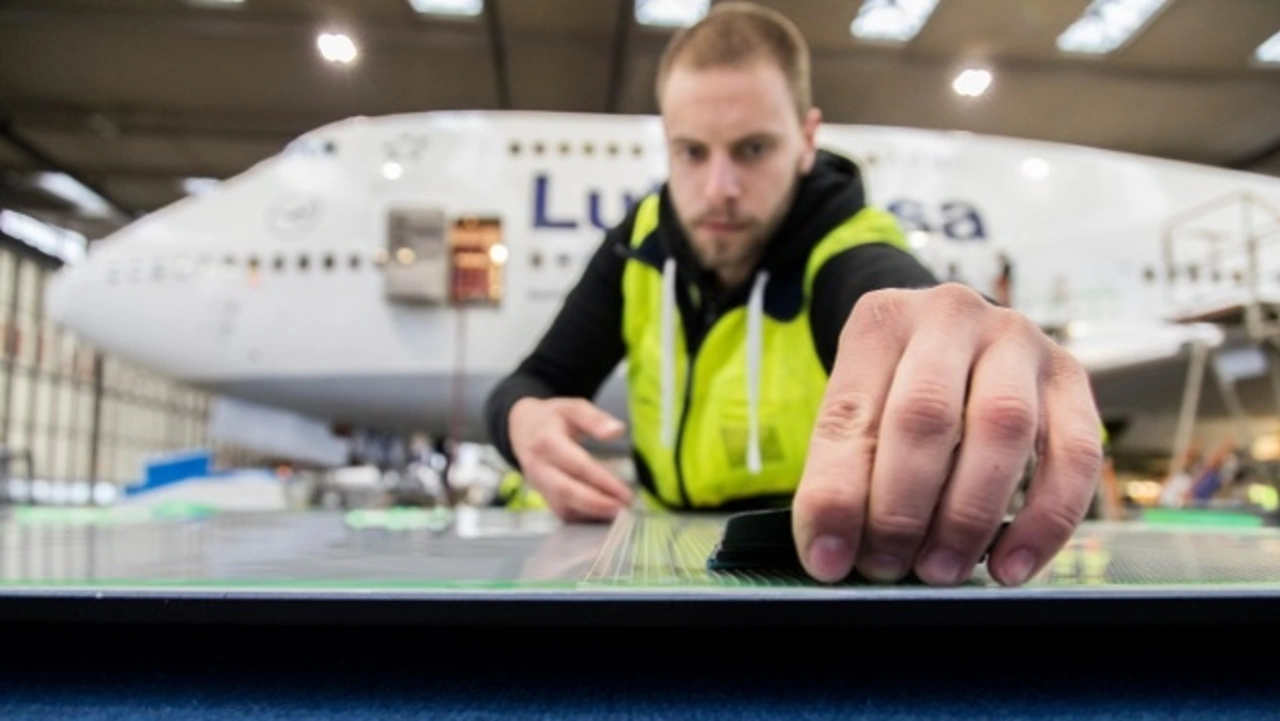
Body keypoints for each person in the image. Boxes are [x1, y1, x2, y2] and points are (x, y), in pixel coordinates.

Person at [484, 2, 1104, 588]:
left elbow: (891, 295)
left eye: (753, 149)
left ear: (807, 139)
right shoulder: (638, 243)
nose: (719, 188)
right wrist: (522, 423)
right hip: (665, 566)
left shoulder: (845, 247)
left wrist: (964, 337)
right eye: (691, 152)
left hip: (810, 566)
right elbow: (535, 380)